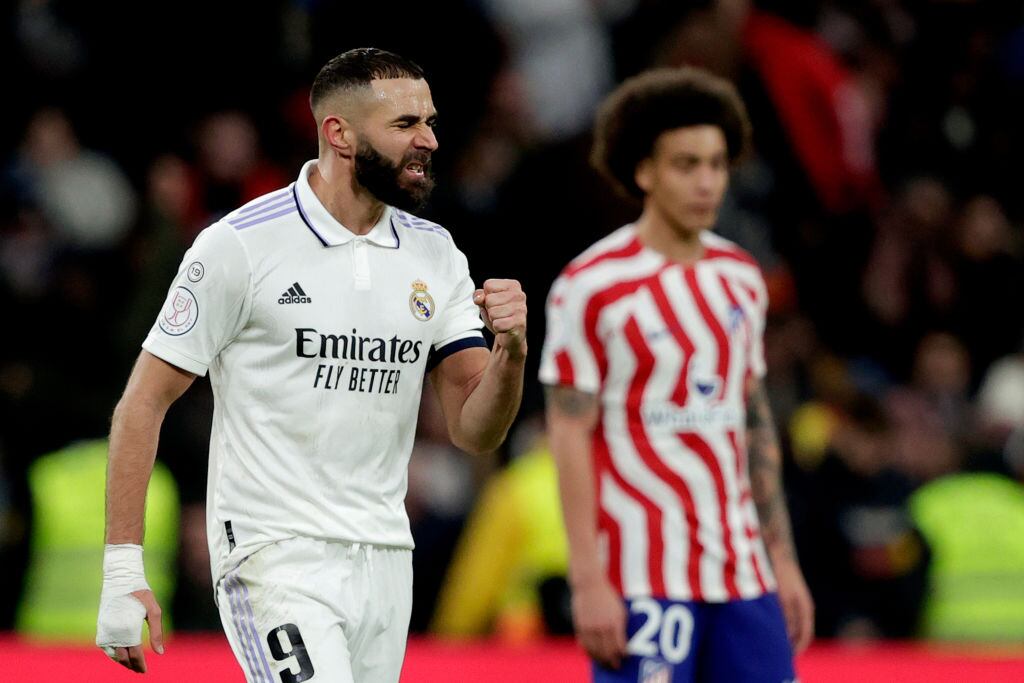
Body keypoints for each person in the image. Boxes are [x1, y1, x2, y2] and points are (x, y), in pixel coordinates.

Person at [95, 47, 527, 682]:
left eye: (429, 122)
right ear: (339, 133)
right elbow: (143, 401)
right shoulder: (240, 245)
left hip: (385, 558)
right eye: (405, 125)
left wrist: (510, 354)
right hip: (275, 558)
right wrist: (123, 571)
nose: (429, 140)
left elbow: (474, 429)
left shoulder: (437, 257)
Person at [539, 67, 813, 682]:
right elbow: (567, 433)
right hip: (641, 578)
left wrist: (783, 564)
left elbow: (754, 422)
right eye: (686, 164)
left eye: (717, 164)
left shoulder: (742, 278)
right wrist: (588, 582)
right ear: (644, 172)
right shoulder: (591, 286)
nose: (707, 181)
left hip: (743, 574)